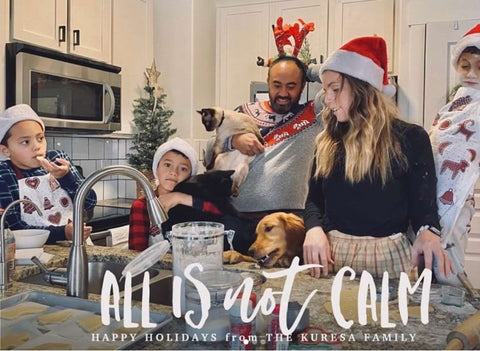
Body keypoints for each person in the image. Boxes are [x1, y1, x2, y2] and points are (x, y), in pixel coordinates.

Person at [302, 36, 454, 279]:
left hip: (390, 258)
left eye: (335, 89)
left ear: (362, 89)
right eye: (325, 89)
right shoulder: (328, 141)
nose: (327, 99)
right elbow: (314, 201)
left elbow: (423, 207)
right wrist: (314, 229)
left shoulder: (410, 138)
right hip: (334, 255)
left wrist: (428, 231)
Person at [210, 18, 323, 254]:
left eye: (292, 85)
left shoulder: (314, 114)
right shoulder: (243, 112)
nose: (283, 93)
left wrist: (307, 69)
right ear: (268, 83)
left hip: (288, 228)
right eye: (277, 84)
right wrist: (233, 141)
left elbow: (344, 79)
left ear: (303, 85)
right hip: (237, 223)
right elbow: (207, 154)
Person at [0, 104, 96, 244]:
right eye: (25, 142)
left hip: (77, 246)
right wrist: (62, 233)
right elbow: (14, 228)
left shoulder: (58, 159)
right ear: (6, 150)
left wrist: (66, 177)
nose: (36, 146)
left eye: (40, 138)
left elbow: (90, 203)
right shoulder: (4, 174)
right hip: (35, 252)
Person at [429, 23, 480, 286]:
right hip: (432, 197)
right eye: (465, 65)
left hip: (459, 202)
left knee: (451, 266)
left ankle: (456, 321)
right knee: (433, 265)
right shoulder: (452, 104)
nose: (471, 73)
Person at [128, 137, 225, 251]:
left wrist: (181, 198)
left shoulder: (193, 202)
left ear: (190, 176)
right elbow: (135, 254)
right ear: (156, 168)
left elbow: (222, 214)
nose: (174, 172)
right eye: (167, 165)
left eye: (183, 169)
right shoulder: (142, 206)